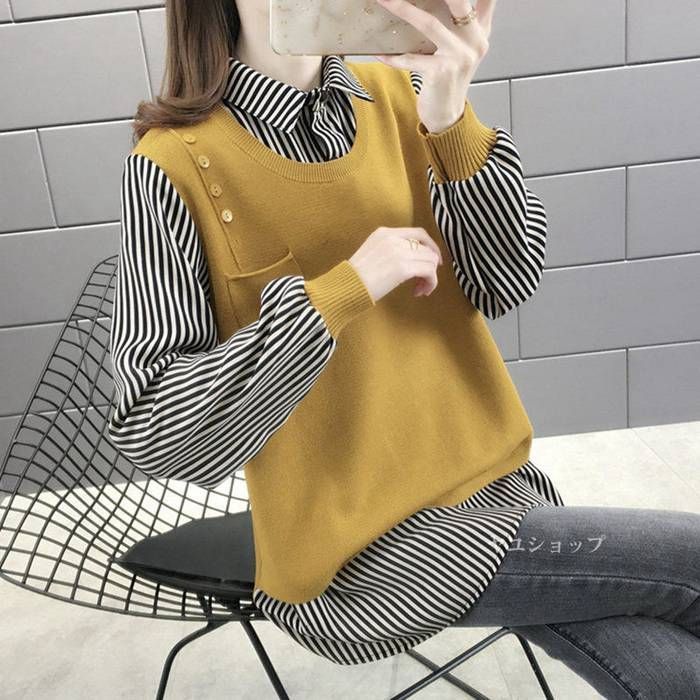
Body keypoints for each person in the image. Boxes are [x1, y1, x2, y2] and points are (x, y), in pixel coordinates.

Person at [107, 0, 700, 694]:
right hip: (359, 548)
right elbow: (154, 428)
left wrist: (450, 119)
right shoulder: (174, 164)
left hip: (489, 484)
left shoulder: (405, 99)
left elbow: (505, 281)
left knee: (668, 664)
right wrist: (345, 289)